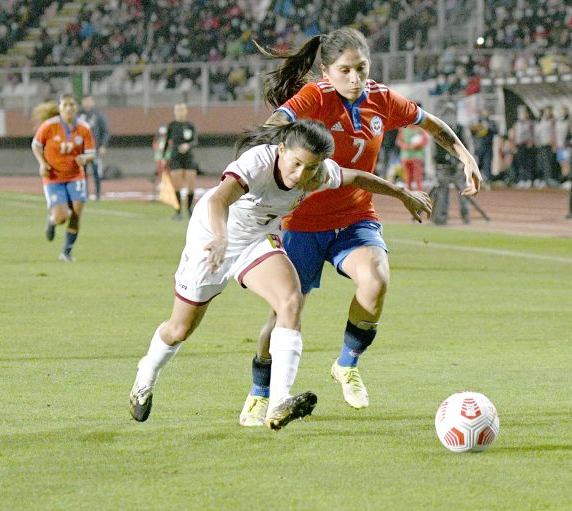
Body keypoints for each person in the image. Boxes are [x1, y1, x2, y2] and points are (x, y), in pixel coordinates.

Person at [236, 27, 481, 426]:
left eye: (360, 69)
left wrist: (465, 156)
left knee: (376, 278)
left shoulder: (382, 100)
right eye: (344, 70)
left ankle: (346, 364)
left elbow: (432, 124)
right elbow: (281, 119)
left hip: (355, 217)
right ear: (326, 71)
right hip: (304, 224)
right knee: (282, 314)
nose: (353, 78)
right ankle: (260, 391)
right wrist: (268, 146)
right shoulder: (316, 96)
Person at [127, 120, 432, 429]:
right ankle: (147, 373)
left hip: (256, 239)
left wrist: (401, 193)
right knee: (179, 328)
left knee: (290, 300)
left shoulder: (318, 174)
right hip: (211, 235)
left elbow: (355, 177)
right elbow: (219, 200)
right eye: (296, 163)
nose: (301, 175)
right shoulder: (257, 162)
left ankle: (278, 401)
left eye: (310, 168)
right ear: (282, 150)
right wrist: (219, 238)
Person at [31, 94, 96, 262]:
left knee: (75, 213)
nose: (69, 108)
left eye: (72, 104)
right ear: (59, 107)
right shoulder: (49, 126)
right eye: (65, 105)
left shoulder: (84, 128)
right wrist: (42, 163)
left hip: (76, 176)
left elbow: (91, 153)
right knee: (62, 217)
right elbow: (36, 145)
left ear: (76, 107)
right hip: (53, 177)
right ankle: (52, 221)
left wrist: (85, 158)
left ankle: (66, 252)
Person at [164, 103, 200, 220]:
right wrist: (164, 157)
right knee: (177, 185)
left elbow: (195, 141)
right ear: (174, 112)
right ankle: (178, 211)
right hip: (175, 157)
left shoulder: (190, 125)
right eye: (178, 110)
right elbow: (165, 142)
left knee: (190, 185)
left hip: (189, 157)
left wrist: (188, 145)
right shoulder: (171, 126)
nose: (180, 112)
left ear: (186, 111)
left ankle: (189, 210)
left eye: (182, 110)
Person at [77, 95, 110, 200]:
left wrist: (103, 145)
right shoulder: (78, 116)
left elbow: (105, 131)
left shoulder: (98, 115)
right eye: (85, 100)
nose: (87, 103)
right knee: (82, 173)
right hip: (82, 150)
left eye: (89, 100)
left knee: (97, 172)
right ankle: (84, 194)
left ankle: (98, 194)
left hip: (94, 150)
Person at [396, 121, 430, 191]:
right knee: (408, 176)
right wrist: (405, 146)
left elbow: (426, 140)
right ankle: (409, 192)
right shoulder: (403, 128)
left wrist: (418, 145)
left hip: (417, 155)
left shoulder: (420, 128)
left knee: (418, 175)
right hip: (406, 156)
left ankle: (420, 192)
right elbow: (399, 141)